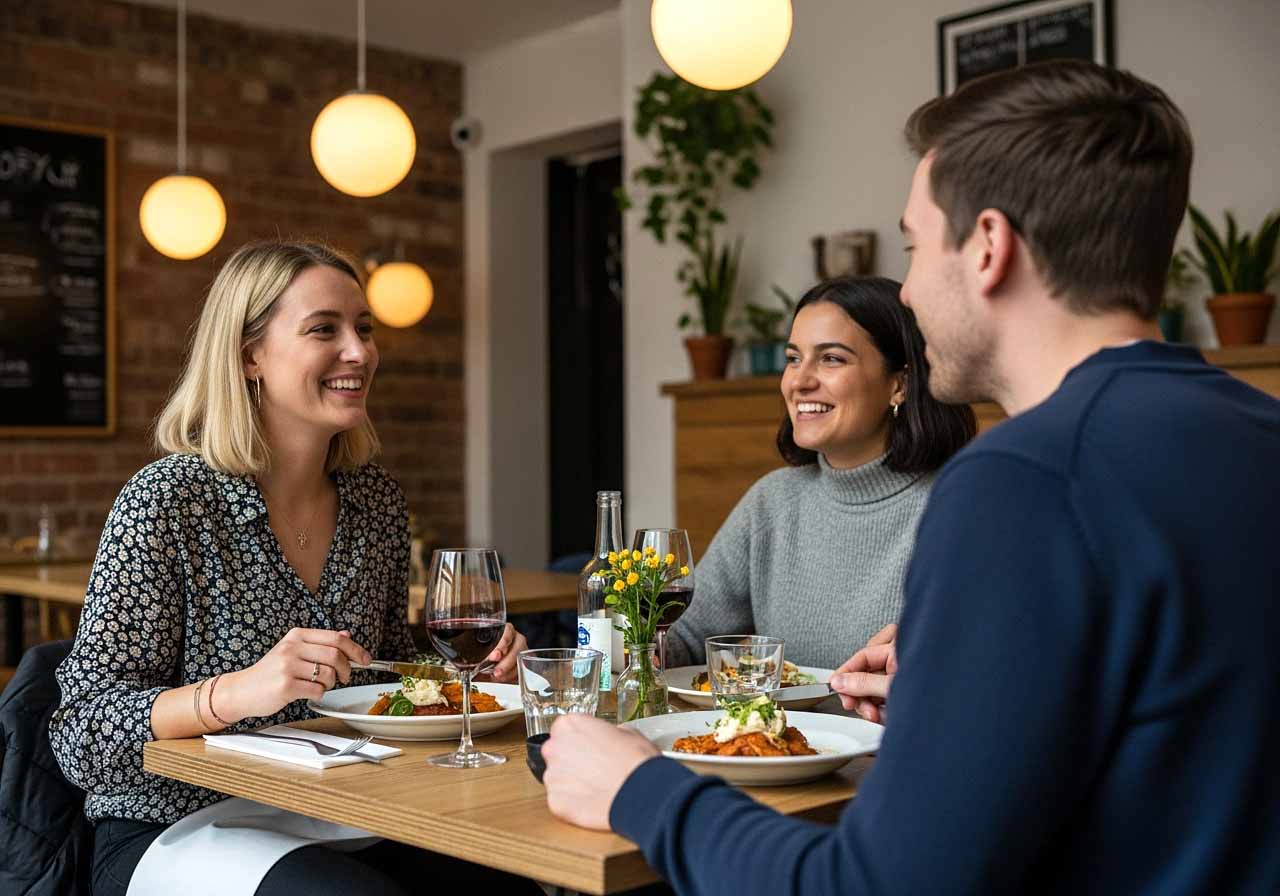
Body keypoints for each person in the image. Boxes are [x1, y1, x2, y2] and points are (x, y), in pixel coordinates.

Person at [539, 59, 1280, 894]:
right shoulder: (1261, 433)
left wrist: (642, 791)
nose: (914, 291)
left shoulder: (1018, 481)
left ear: (990, 248)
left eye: (917, 246)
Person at [48, 241, 534, 896]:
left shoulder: (375, 499)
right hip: (177, 828)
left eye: (363, 328)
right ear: (250, 356)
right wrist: (238, 692)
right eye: (323, 330)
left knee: (508, 886)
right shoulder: (168, 501)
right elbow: (80, 733)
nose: (359, 352)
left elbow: (384, 668)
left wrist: (462, 679)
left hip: (344, 809)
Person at [664, 277, 974, 669]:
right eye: (793, 358)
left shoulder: (956, 508)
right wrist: (633, 644)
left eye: (831, 358)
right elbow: (687, 637)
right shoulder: (771, 501)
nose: (800, 381)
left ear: (900, 384)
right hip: (776, 733)